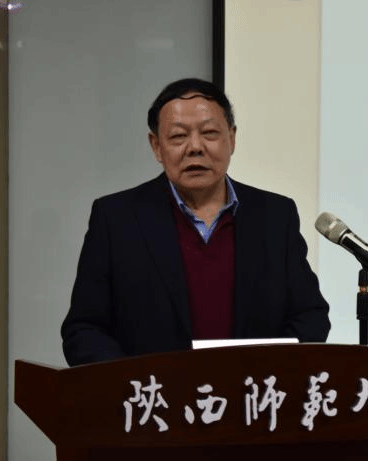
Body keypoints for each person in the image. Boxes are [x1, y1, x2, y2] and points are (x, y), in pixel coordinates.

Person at [61, 78, 330, 366]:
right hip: (152, 392)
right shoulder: (116, 219)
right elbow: (84, 331)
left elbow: (310, 317)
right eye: (178, 136)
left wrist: (262, 372)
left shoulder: (274, 216)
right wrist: (133, 382)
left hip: (251, 390)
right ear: (156, 146)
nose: (195, 147)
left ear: (232, 138)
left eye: (210, 133)